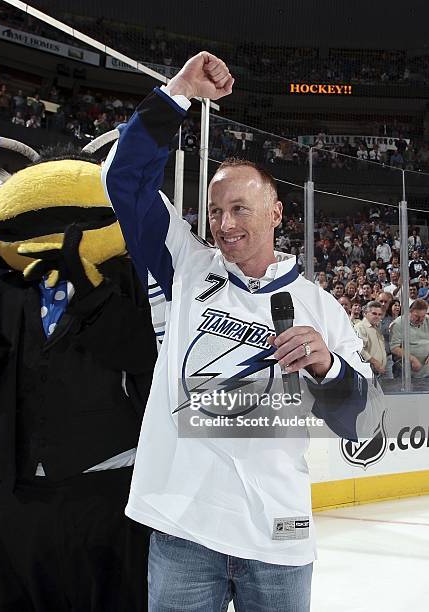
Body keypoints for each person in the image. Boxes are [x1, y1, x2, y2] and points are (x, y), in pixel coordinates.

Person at [102, 51, 375, 612]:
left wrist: (330, 368)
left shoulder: (322, 308)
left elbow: (366, 429)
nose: (224, 225)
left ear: (276, 213)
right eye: (216, 211)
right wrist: (178, 91)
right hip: (183, 526)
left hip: (279, 535)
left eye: (240, 209)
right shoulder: (186, 266)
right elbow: (123, 179)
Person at [0, 142, 157, 611]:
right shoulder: (5, 284)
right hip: (15, 493)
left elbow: (142, 356)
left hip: (106, 494)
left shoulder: (127, 274)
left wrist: (93, 293)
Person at [390, 299, 429, 379]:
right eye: (416, 316)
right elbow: (394, 348)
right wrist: (412, 359)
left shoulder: (427, 320)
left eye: (423, 316)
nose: (420, 320)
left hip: (426, 371)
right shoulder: (398, 323)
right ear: (409, 312)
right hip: (404, 372)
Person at [355, 302, 386, 377]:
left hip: (377, 372)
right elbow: (360, 349)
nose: (377, 317)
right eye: (374, 313)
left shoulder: (376, 328)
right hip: (367, 372)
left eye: (379, 314)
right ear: (365, 313)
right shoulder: (360, 327)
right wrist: (375, 363)